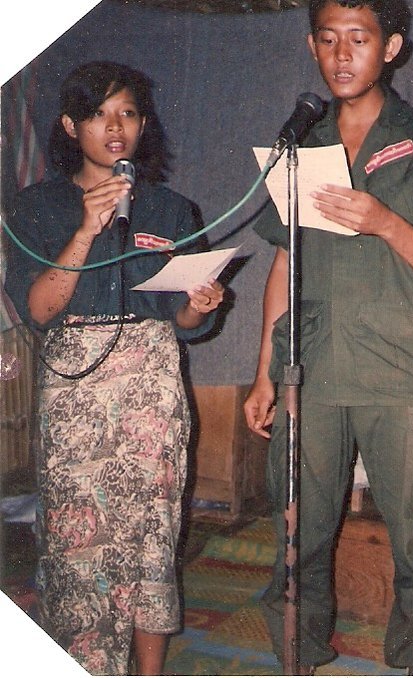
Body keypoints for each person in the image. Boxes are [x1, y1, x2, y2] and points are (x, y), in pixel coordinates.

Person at [243, 0, 413, 673]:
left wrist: (384, 221)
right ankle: (298, 657)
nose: (342, 54)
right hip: (311, 374)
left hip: (402, 376)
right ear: (311, 47)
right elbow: (283, 264)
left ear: (392, 48)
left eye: (359, 38)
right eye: (328, 39)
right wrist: (265, 373)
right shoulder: (299, 146)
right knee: (296, 542)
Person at [4, 62, 224, 675]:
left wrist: (200, 303)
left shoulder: (172, 209)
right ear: (70, 126)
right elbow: (38, 310)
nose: (115, 126)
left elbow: (187, 320)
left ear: (143, 124)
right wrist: (85, 229)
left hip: (152, 385)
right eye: (99, 114)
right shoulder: (36, 206)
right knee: (77, 542)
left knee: (153, 535)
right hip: (76, 388)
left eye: (127, 113)